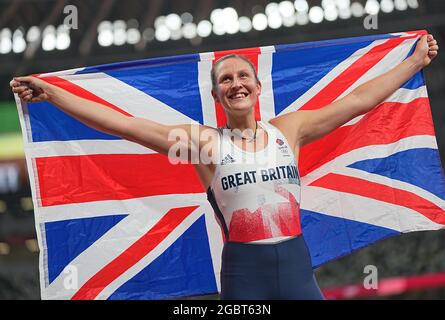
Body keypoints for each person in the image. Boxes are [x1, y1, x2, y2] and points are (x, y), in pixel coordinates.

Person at [10, 34, 439, 300]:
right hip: (243, 275)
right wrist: (53, 95)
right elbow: (125, 125)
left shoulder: (290, 129)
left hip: (296, 266)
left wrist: (413, 63)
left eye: (242, 77)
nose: (236, 84)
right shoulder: (202, 144)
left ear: (258, 85)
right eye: (226, 80)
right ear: (217, 96)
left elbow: (358, 102)